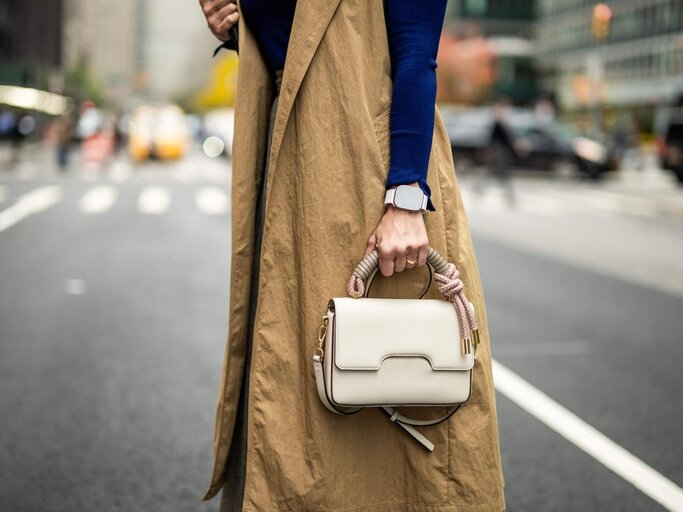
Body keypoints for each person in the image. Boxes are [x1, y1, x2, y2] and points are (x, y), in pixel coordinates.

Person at [199, 1, 506, 510]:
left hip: (367, 164)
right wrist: (235, 27)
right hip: (289, 155)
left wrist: (407, 196)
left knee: (376, 394)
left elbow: (415, 53)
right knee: (290, 380)